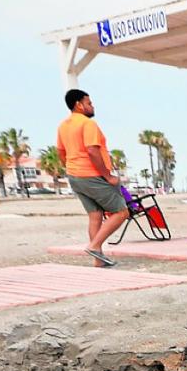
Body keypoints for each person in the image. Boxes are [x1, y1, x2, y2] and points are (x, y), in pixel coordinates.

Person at [57, 89, 128, 267]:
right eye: (89, 103)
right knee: (121, 212)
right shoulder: (88, 124)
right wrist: (108, 176)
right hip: (91, 175)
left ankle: (98, 260)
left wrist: (72, 166)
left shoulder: (63, 126)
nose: (92, 106)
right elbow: (92, 150)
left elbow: (60, 151)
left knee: (95, 215)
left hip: (74, 176)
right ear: (78, 105)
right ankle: (95, 246)